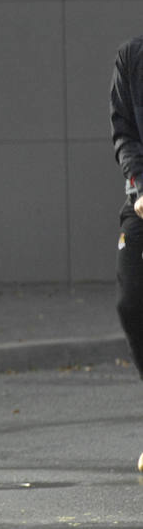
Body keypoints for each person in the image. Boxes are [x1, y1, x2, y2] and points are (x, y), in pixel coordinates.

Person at [110, 35, 143, 473]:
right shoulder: (131, 57)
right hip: (142, 203)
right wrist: (138, 186)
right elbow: (124, 132)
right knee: (131, 303)